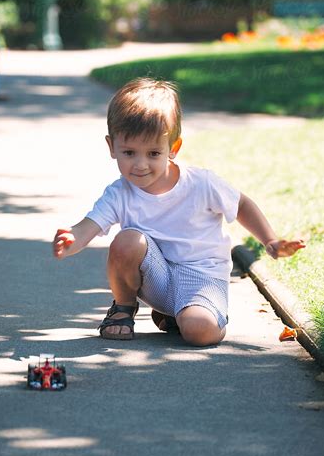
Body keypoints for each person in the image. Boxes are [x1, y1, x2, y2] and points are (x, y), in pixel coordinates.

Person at [52, 78, 305, 347]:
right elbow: (88, 226)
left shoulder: (201, 183)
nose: (140, 164)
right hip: (156, 278)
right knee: (127, 240)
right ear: (111, 146)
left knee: (199, 333)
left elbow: (241, 204)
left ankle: (191, 315)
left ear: (173, 149)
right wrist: (71, 240)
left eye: (152, 153)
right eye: (129, 152)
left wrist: (270, 240)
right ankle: (123, 309)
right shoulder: (120, 192)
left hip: (202, 277)